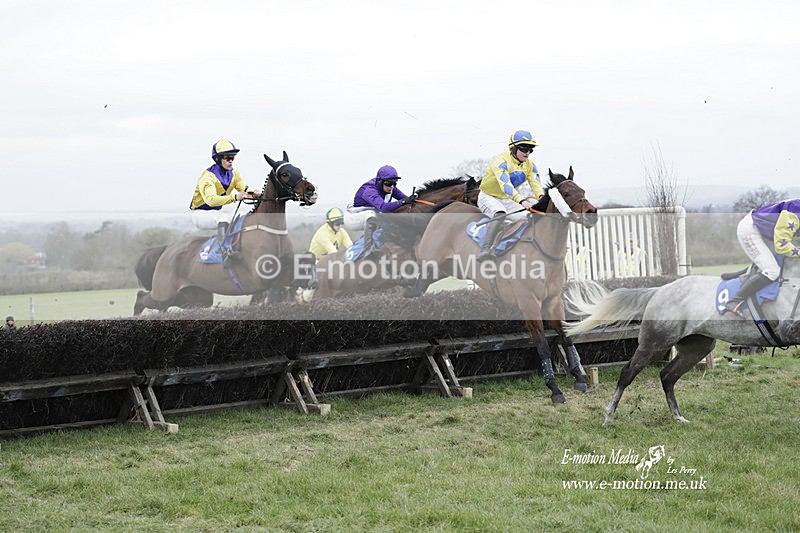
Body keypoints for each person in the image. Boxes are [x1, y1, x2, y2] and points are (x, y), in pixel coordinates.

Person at [189, 139, 261, 266]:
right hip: (201, 213)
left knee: (243, 215)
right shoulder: (207, 177)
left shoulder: (234, 173)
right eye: (227, 157)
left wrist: (254, 194)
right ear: (218, 159)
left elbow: (243, 189)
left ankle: (239, 246)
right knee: (223, 218)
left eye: (232, 157)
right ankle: (223, 252)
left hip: (217, 211)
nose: (231, 160)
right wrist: (235, 197)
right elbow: (211, 200)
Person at [476, 130, 545, 261]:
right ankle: (485, 250)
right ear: (513, 148)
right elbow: (506, 186)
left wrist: (542, 198)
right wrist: (522, 201)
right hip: (488, 197)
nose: (528, 153)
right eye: (524, 148)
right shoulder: (500, 161)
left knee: (528, 219)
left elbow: (536, 184)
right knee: (500, 213)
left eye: (531, 150)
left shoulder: (530, 165)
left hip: (506, 199)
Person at [724, 199, 800, 316]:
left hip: (767, 232)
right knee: (772, 271)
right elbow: (782, 245)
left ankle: (741, 273)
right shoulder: (793, 215)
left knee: (778, 261)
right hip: (751, 231)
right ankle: (734, 301)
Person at [348, 165, 417, 257]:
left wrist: (415, 199)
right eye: (389, 183)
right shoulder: (369, 190)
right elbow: (383, 207)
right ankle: (367, 250)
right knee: (372, 215)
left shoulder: (389, 187)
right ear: (380, 181)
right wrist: (404, 201)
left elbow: (405, 199)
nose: (392, 186)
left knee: (388, 216)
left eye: (394, 183)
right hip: (353, 218)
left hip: (371, 215)